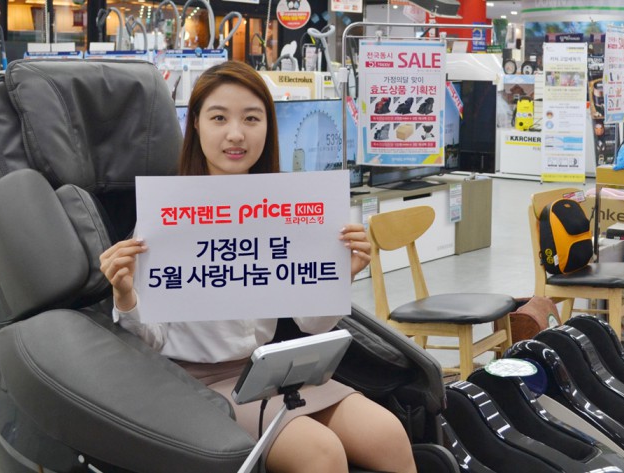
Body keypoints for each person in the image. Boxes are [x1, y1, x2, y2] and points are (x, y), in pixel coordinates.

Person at [100, 60, 417, 473]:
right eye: (219, 118)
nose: (236, 134)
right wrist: (125, 294)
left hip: (272, 372)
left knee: (388, 433)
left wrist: (342, 275)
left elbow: (311, 324)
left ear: (268, 126)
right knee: (320, 453)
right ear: (195, 124)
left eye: (251, 118)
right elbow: (152, 340)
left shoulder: (287, 207)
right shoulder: (166, 214)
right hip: (197, 384)